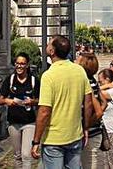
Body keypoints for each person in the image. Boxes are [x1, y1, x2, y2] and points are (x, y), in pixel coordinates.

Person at [32, 35, 92, 169]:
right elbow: (88, 103)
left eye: (49, 44)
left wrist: (36, 140)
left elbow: (44, 111)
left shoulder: (49, 76)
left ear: (52, 51)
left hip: (54, 138)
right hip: (75, 134)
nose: (46, 45)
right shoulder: (79, 70)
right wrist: (86, 127)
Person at [0, 53, 41, 169]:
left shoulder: (33, 81)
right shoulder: (10, 80)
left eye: (22, 64)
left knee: (26, 155)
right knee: (17, 155)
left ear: (27, 65)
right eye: (17, 63)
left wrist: (32, 102)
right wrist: (8, 101)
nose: (19, 66)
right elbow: (0, 99)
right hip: (13, 122)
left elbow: (41, 100)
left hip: (29, 122)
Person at [76, 52, 103, 168]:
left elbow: (92, 107)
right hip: (95, 130)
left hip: (89, 132)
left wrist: (85, 127)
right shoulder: (93, 81)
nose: (75, 61)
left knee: (89, 163)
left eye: (78, 60)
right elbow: (103, 103)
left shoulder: (86, 82)